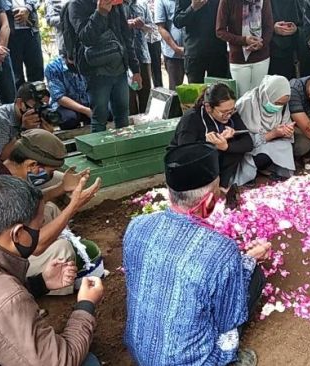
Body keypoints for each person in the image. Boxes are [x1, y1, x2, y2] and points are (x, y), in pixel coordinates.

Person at [0, 175, 105, 365]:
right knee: (88, 362)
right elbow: (59, 361)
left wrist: (40, 283)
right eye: (38, 227)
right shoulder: (3, 299)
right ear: (18, 234)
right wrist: (86, 305)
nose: (40, 232)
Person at [123, 143, 269, 366]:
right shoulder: (222, 250)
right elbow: (228, 318)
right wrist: (249, 261)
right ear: (208, 202)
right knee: (253, 275)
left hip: (140, 351)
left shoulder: (137, 225)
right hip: (192, 361)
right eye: (218, 191)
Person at [0, 129, 102, 293]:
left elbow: (35, 201)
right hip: (3, 266)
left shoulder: (4, 172)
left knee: (49, 209)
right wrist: (73, 206)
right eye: (49, 172)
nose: (49, 176)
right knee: (62, 249)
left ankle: (71, 259)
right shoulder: (2, 189)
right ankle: (58, 284)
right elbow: (36, 246)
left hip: (11, 246)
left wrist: (62, 187)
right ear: (32, 165)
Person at [170, 83, 253, 206]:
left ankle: (222, 187)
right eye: (224, 112)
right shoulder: (192, 118)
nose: (228, 115)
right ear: (208, 107)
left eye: (232, 110)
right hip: (189, 165)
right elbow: (185, 155)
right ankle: (201, 192)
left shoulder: (230, 114)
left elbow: (248, 143)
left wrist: (225, 146)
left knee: (235, 147)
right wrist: (208, 144)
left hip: (214, 160)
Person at [69, 0, 142, 132]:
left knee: (123, 117)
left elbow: (125, 36)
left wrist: (135, 69)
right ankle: (100, 152)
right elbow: (86, 37)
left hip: (120, 70)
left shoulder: (116, 3)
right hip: (96, 73)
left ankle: (123, 150)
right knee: (99, 119)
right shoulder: (76, 4)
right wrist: (100, 13)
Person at [234, 75, 295, 185]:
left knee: (288, 146)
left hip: (272, 141)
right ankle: (249, 174)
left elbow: (286, 123)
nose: (278, 107)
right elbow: (241, 139)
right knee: (262, 155)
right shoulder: (246, 104)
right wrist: (272, 134)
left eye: (282, 104)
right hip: (249, 145)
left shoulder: (283, 107)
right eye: (276, 103)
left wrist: (286, 131)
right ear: (267, 95)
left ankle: (268, 169)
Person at [0, 83, 52, 159]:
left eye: (44, 107)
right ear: (20, 103)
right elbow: (0, 160)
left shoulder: (37, 118)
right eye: (36, 107)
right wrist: (24, 132)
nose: (40, 111)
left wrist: (45, 136)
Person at [216, 0, 274, 97]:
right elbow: (220, 31)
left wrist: (262, 43)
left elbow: (269, 26)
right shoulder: (227, 2)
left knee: (259, 96)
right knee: (242, 98)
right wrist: (244, 40)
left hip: (261, 57)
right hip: (239, 59)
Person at [174, 0, 229, 83]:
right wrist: (192, 8)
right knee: (196, 93)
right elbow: (177, 21)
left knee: (219, 92)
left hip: (218, 52)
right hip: (195, 53)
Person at [45, 55, 91, 130]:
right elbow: (59, 97)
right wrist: (86, 111)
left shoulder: (88, 60)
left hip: (88, 101)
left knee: (108, 111)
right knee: (69, 119)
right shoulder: (53, 67)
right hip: (66, 106)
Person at [7, 0, 44, 88]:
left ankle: (39, 98)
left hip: (31, 30)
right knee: (16, 75)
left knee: (37, 71)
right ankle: (21, 99)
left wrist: (27, 8)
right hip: (10, 34)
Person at [127, 0, 154, 115]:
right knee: (129, 97)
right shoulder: (117, 6)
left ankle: (146, 123)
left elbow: (151, 28)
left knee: (146, 94)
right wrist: (127, 24)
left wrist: (142, 26)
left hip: (142, 56)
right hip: (125, 59)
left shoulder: (142, 5)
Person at [155, 0, 185, 90]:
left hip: (192, 50)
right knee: (175, 89)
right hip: (173, 54)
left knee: (197, 88)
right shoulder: (161, 1)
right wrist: (176, 48)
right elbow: (161, 28)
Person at [268, 0, 301, 79]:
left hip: (294, 53)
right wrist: (272, 28)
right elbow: (253, 24)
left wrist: (297, 29)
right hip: (267, 54)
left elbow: (309, 25)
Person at [146, 0, 163, 88]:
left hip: (156, 39)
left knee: (157, 68)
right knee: (144, 69)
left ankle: (159, 90)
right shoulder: (140, 2)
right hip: (143, 41)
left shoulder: (158, 1)